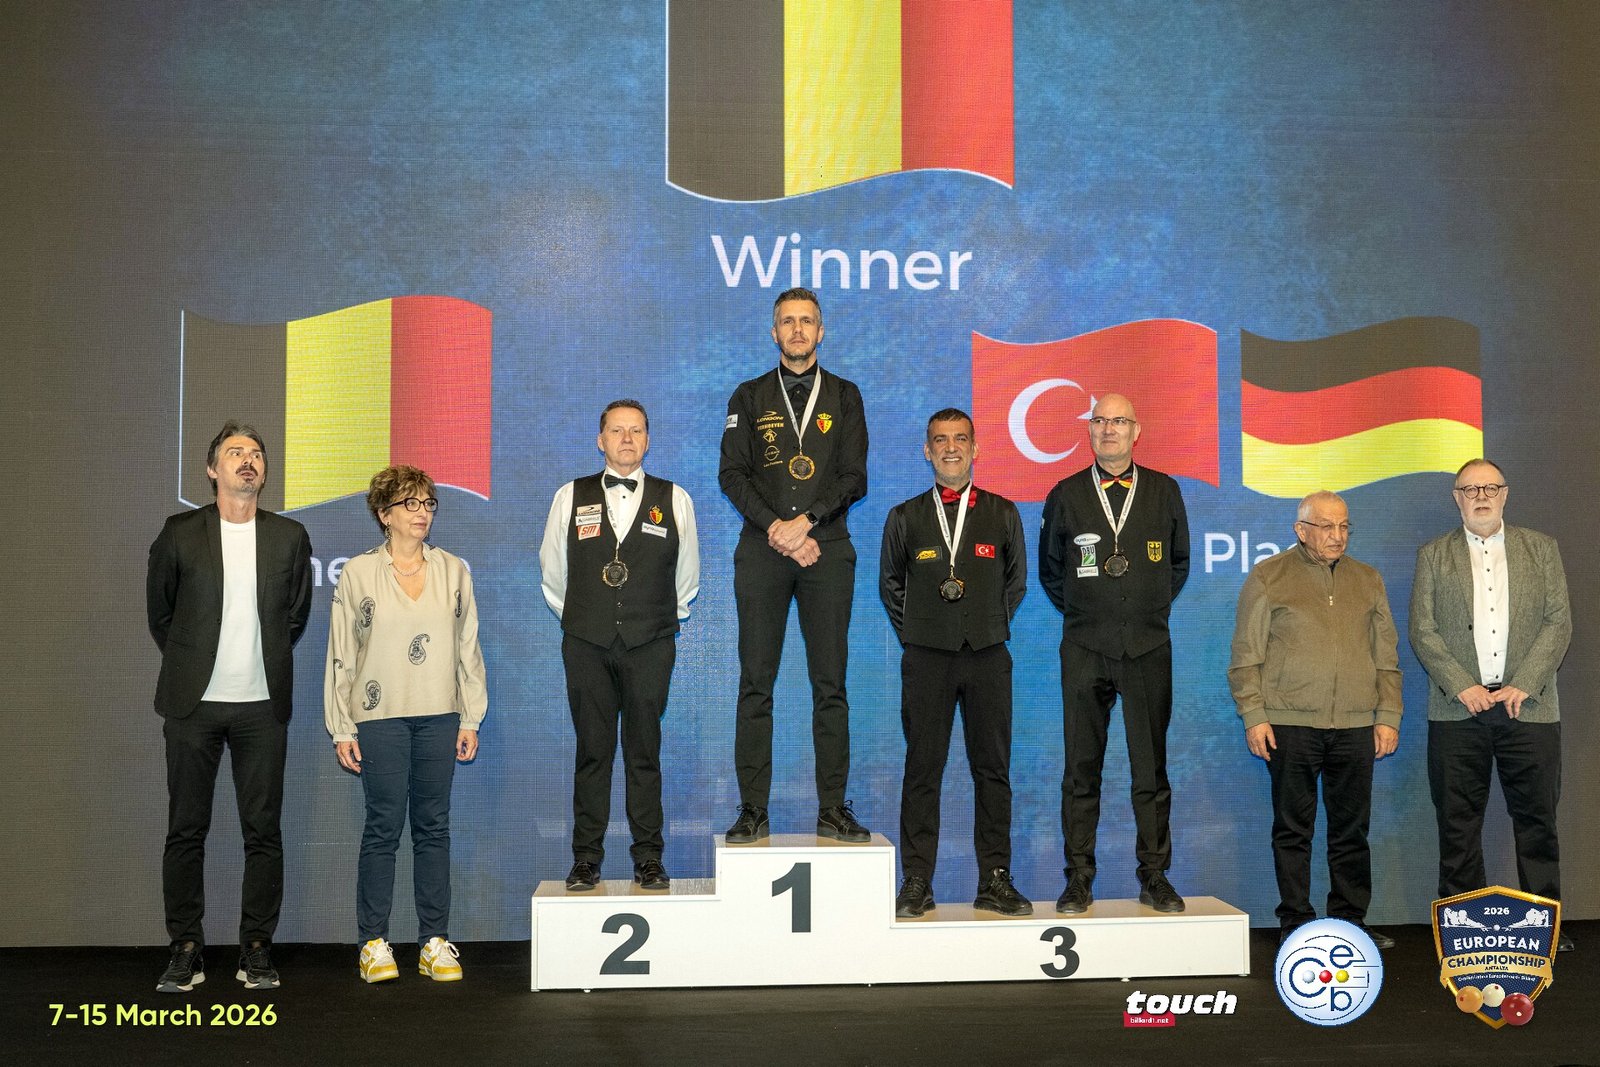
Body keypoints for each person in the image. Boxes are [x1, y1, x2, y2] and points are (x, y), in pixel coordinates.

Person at [146, 421, 312, 993]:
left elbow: (294, 618)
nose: (248, 460)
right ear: (212, 469)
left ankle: (257, 949)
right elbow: (161, 616)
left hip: (261, 707)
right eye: (235, 452)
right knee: (185, 830)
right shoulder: (179, 533)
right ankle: (185, 948)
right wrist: (194, 663)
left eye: (257, 454)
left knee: (263, 832)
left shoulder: (289, 537)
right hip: (192, 707)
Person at [719, 287, 870, 844]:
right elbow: (732, 475)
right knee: (755, 683)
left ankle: (832, 809)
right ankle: (752, 810)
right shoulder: (748, 395)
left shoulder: (846, 395)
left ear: (821, 331)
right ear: (774, 332)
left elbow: (854, 476)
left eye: (807, 321)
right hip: (763, 552)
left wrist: (805, 522)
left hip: (826, 550)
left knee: (830, 685)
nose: (798, 330)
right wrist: (779, 530)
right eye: (788, 321)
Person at [325, 465, 487, 983]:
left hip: (440, 713)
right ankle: (373, 943)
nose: (422, 513)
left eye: (428, 504)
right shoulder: (357, 573)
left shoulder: (453, 571)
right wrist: (342, 726)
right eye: (410, 504)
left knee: (433, 827)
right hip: (379, 717)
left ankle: (433, 941)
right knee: (383, 827)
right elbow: (342, 653)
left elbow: (468, 649)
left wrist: (470, 716)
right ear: (384, 514)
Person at [1408, 459, 1573, 952]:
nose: (1480, 496)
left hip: (1529, 707)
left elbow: (1558, 622)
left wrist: (1525, 683)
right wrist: (1462, 685)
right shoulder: (1433, 555)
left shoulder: (1541, 548)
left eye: (1490, 488)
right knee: (1458, 825)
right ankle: (1462, 930)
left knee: (1538, 823)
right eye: (1470, 489)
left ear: (1505, 494)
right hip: (1459, 711)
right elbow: (1422, 630)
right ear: (1456, 498)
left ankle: (1543, 929)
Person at [1228, 491, 1401, 949]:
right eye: (1326, 526)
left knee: (1351, 832)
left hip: (1356, 726)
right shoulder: (1268, 576)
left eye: (1344, 526)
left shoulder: (1368, 579)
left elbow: (1386, 657)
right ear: (1301, 530)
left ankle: (1350, 922)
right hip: (1289, 725)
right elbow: (1245, 656)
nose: (1337, 536)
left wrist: (1388, 715)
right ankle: (1296, 922)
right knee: (1293, 831)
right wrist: (1254, 715)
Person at [540, 400, 700, 893]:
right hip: (586, 643)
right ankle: (585, 860)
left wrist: (653, 621)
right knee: (593, 752)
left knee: (643, 753)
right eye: (616, 430)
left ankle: (649, 858)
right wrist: (585, 617)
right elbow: (553, 572)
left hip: (649, 644)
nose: (626, 439)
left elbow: (687, 577)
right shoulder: (570, 496)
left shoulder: (675, 499)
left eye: (635, 431)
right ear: (600, 440)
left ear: (647, 441)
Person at [1038, 393, 1189, 915]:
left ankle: (1155, 876)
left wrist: (1143, 610)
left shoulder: (1165, 491)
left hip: (1148, 646)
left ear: (1135, 431)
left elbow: (1178, 565)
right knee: (1081, 770)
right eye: (1099, 420)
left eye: (1119, 421)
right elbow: (1051, 572)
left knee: (1151, 771)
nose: (1108, 429)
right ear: (1089, 431)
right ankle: (1078, 878)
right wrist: (1092, 613)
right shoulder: (1065, 494)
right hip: (1085, 647)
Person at [880, 409, 1030, 917]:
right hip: (926, 659)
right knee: (923, 769)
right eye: (940, 440)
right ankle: (917, 881)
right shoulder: (904, 516)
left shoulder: (1003, 513)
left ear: (975, 448)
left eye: (960, 438)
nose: (950, 447)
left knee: (993, 771)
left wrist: (984, 624)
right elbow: (891, 586)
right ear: (927, 451)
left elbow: (1015, 584)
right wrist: (922, 633)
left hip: (988, 656)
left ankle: (995, 879)